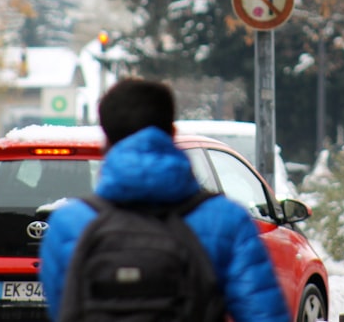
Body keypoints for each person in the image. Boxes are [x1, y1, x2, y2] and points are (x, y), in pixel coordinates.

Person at [39, 78, 291, 322]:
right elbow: (263, 313)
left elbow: (65, 308)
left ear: (106, 140)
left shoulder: (70, 223)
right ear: (171, 132)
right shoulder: (226, 220)